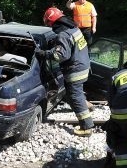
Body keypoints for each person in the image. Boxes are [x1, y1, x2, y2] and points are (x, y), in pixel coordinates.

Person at [36, 7, 94, 137]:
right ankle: (87, 105)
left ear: (53, 22)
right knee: (73, 93)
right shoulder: (74, 28)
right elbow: (70, 46)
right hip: (84, 65)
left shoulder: (63, 35)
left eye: (49, 24)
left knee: (75, 96)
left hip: (75, 70)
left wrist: (44, 53)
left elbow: (60, 56)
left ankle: (86, 127)